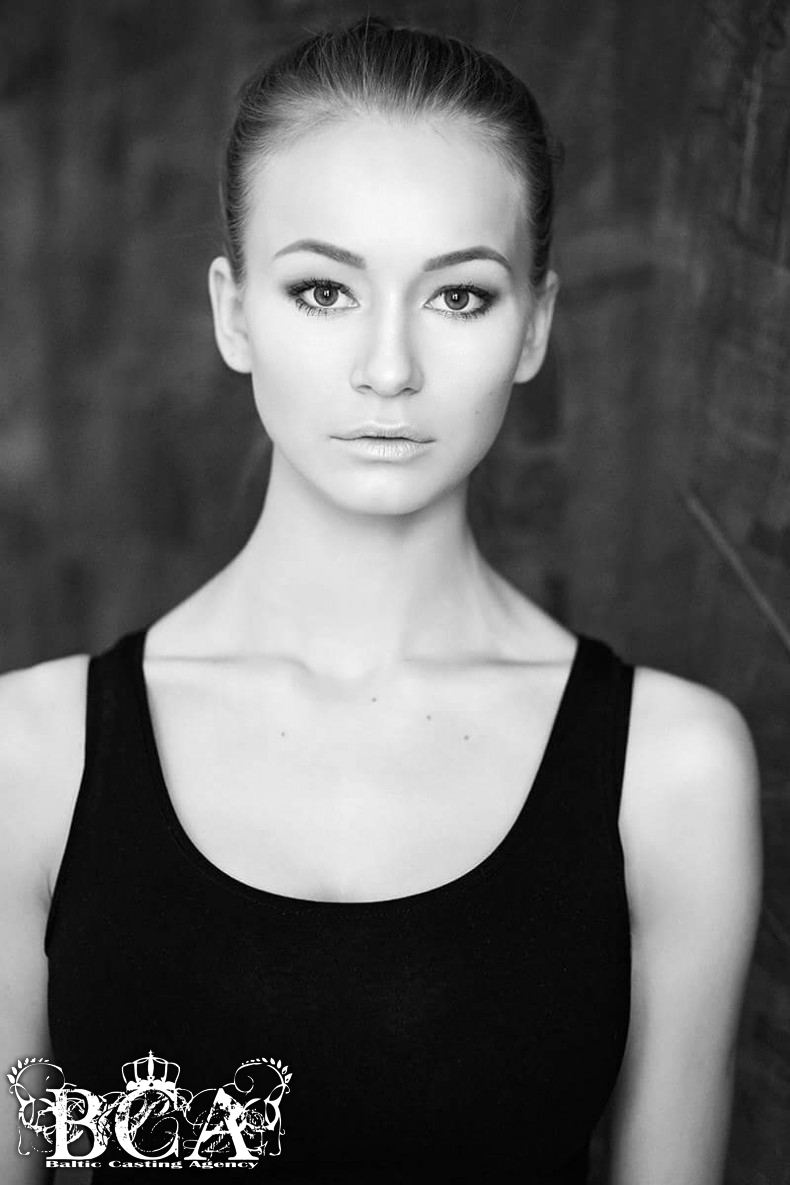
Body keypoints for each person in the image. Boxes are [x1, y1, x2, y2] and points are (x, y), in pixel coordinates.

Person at [1, 15, 762, 1185]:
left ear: (534, 326)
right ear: (233, 313)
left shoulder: (671, 769)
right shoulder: (27, 756)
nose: (389, 369)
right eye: (322, 290)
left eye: (459, 296)